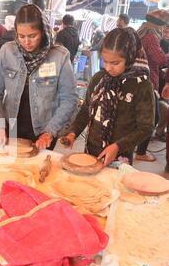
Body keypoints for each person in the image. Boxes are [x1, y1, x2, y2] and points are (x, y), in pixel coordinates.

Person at [0, 4, 78, 150]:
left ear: (43, 31)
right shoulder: (7, 51)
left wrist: (50, 131)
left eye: (32, 36)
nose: (26, 42)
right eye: (21, 36)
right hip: (11, 127)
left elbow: (69, 99)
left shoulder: (60, 56)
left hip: (44, 129)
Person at [61, 28, 155, 167]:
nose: (109, 68)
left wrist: (117, 146)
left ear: (129, 59)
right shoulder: (99, 79)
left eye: (115, 63)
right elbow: (86, 109)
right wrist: (72, 132)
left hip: (120, 156)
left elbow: (146, 127)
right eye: (105, 61)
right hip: (91, 149)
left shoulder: (141, 86)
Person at [135, 9, 169, 161]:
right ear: (159, 25)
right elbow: (160, 59)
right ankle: (141, 152)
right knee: (152, 118)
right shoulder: (150, 36)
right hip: (147, 80)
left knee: (139, 117)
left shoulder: (141, 31)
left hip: (137, 79)